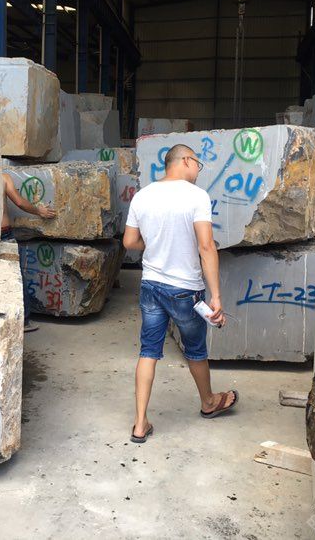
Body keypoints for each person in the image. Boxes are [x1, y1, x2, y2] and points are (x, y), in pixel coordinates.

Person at [123, 144, 238, 443]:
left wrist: (153, 245)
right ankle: (208, 402)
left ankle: (139, 423)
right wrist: (216, 296)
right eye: (197, 164)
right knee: (196, 350)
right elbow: (206, 246)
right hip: (185, 290)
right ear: (186, 161)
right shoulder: (196, 196)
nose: (198, 170)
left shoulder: (143, 195)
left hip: (151, 285)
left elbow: (129, 242)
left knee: (148, 351)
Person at [2, 172, 57, 332]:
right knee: (16, 276)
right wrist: (39, 211)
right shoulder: (2, 177)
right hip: (3, 233)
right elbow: (19, 202)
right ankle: (24, 321)